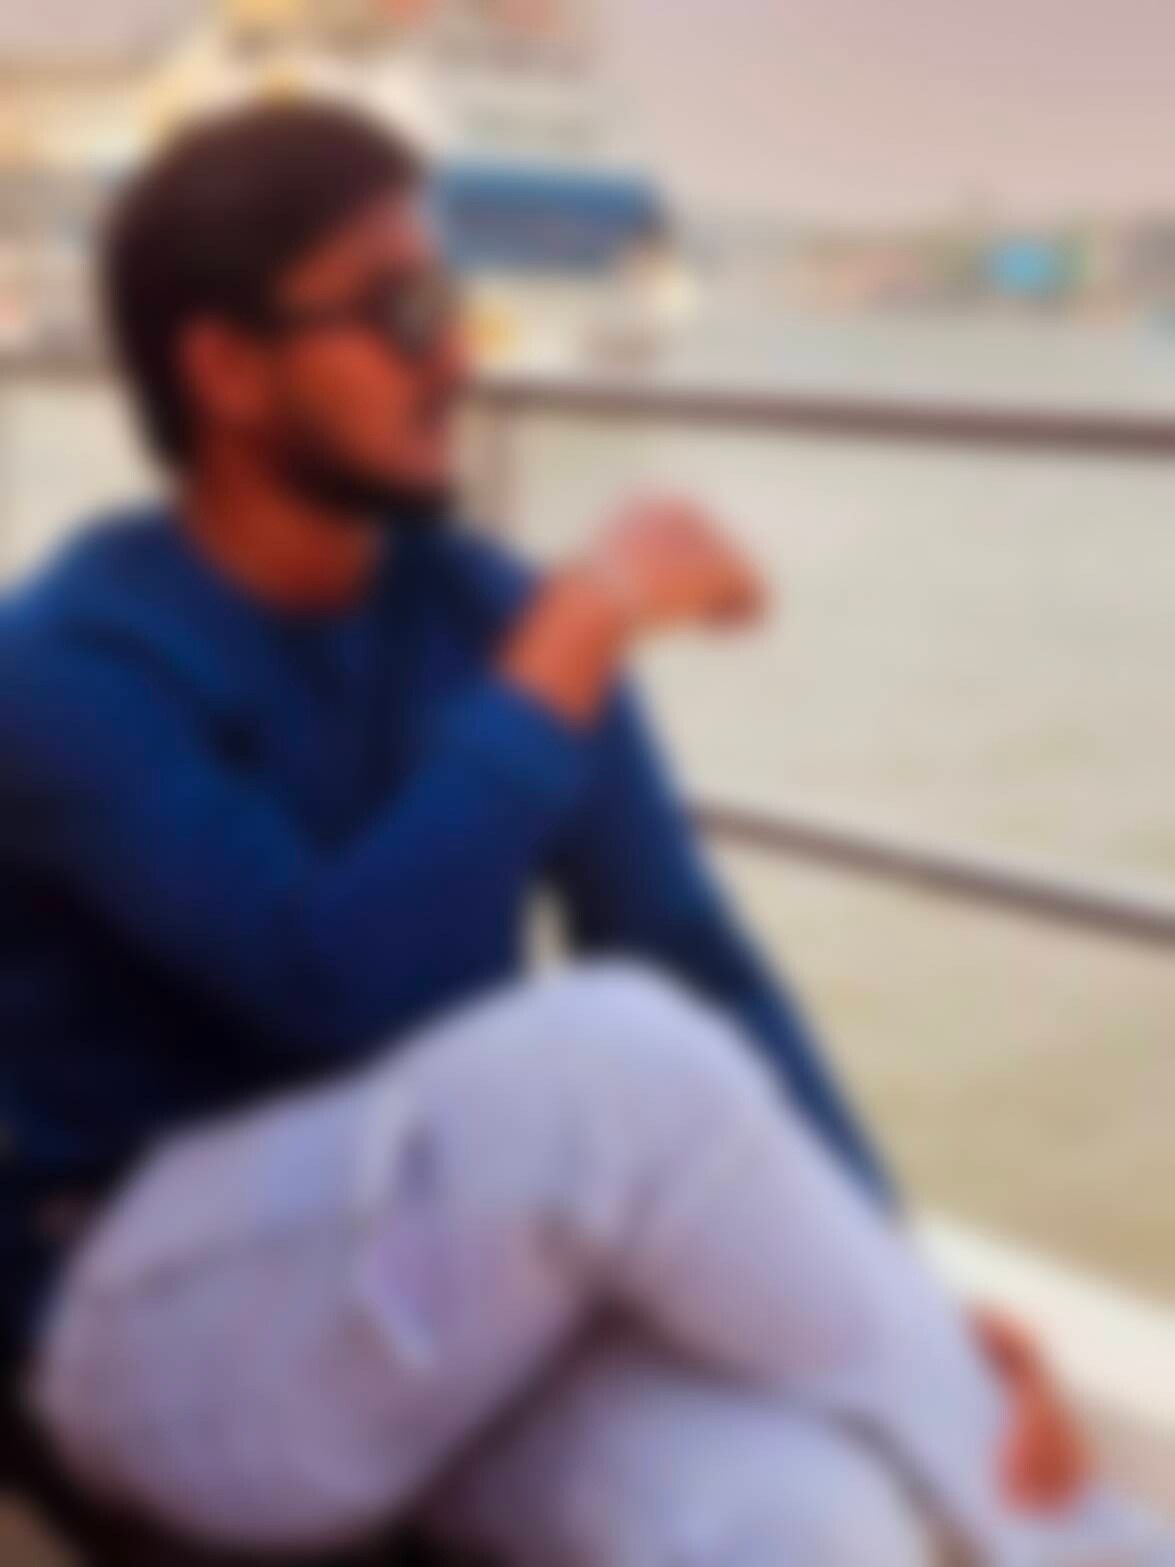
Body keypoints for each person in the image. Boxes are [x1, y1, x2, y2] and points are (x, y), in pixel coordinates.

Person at [0, 103, 1164, 1564]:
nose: (456, 358)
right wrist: (585, 627)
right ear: (226, 369)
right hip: (154, 1338)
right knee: (611, 1059)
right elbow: (330, 988)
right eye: (400, 313)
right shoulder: (68, 667)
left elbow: (686, 952)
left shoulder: (483, 611)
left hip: (439, 1313)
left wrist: (904, 1299)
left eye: (453, 303)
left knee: (810, 1515)